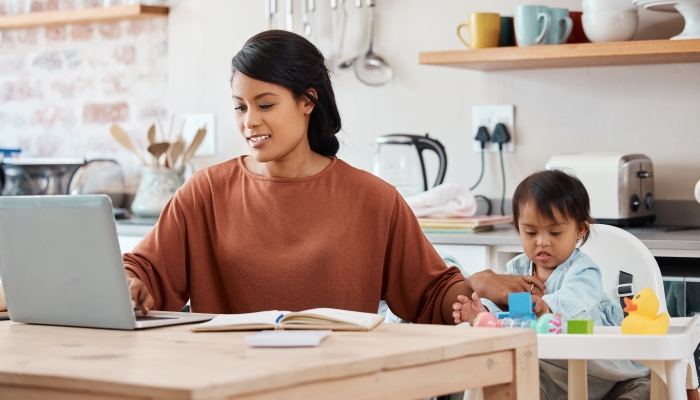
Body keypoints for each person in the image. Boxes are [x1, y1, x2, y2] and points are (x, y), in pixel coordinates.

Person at [122, 30, 544, 326]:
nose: (250, 121)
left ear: (308, 101)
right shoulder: (206, 192)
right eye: (240, 106)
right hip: (227, 386)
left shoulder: (373, 199)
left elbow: (429, 297)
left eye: (265, 104)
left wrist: (477, 285)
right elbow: (144, 271)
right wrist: (130, 283)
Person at [452, 170, 650, 400]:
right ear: (518, 228)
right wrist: (482, 314)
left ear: (580, 230)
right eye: (531, 232)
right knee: (515, 387)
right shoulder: (516, 271)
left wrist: (545, 308)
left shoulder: (583, 270)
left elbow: (577, 299)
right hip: (549, 378)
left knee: (642, 388)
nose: (542, 241)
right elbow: (506, 311)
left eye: (555, 232)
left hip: (604, 374)